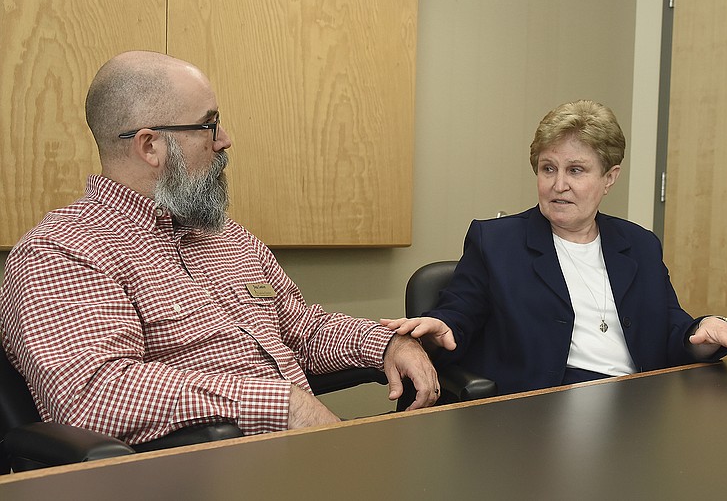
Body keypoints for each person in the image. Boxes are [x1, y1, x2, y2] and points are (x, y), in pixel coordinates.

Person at [0, 51, 439, 446]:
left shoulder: (227, 237)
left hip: (298, 458)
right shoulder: (61, 251)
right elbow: (97, 395)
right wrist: (284, 404)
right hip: (194, 479)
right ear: (150, 145)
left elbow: (300, 327)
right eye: (209, 125)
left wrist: (386, 344)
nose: (224, 139)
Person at [382, 99, 727, 395]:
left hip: (638, 407)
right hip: (541, 412)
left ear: (609, 177)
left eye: (576, 170)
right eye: (548, 168)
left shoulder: (639, 244)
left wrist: (704, 329)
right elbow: (459, 313)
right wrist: (441, 326)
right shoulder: (496, 242)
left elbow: (670, 331)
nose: (558, 184)